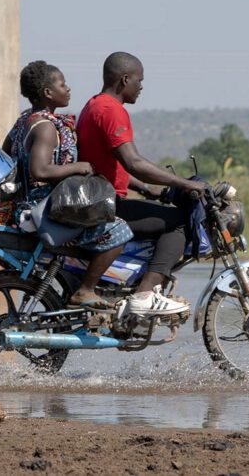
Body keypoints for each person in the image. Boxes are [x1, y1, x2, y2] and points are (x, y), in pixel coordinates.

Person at [77, 51, 208, 317]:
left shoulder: (94, 105)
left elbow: (112, 166)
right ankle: (145, 295)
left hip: (98, 198)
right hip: (105, 204)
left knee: (155, 212)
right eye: (140, 80)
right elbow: (133, 162)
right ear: (125, 79)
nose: (142, 87)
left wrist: (148, 190)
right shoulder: (111, 110)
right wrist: (184, 183)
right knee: (179, 221)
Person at [3, 61, 133, 309]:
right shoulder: (46, 128)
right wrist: (77, 167)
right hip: (48, 210)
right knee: (119, 230)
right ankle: (85, 291)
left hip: (28, 205)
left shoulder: (22, 122)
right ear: (48, 93)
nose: (68, 89)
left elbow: (6, 156)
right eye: (62, 84)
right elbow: (39, 170)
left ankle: (74, 288)